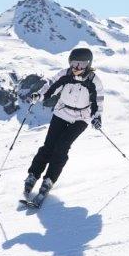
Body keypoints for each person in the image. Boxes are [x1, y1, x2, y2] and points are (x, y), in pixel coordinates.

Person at [22, 47, 105, 204]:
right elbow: (51, 85)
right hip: (62, 112)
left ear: (88, 64)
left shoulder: (94, 81)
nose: (77, 68)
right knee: (49, 146)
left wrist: (97, 117)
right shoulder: (65, 75)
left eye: (81, 64)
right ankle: (33, 175)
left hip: (81, 117)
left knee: (62, 147)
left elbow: (97, 101)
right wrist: (39, 95)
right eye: (74, 64)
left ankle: (49, 180)